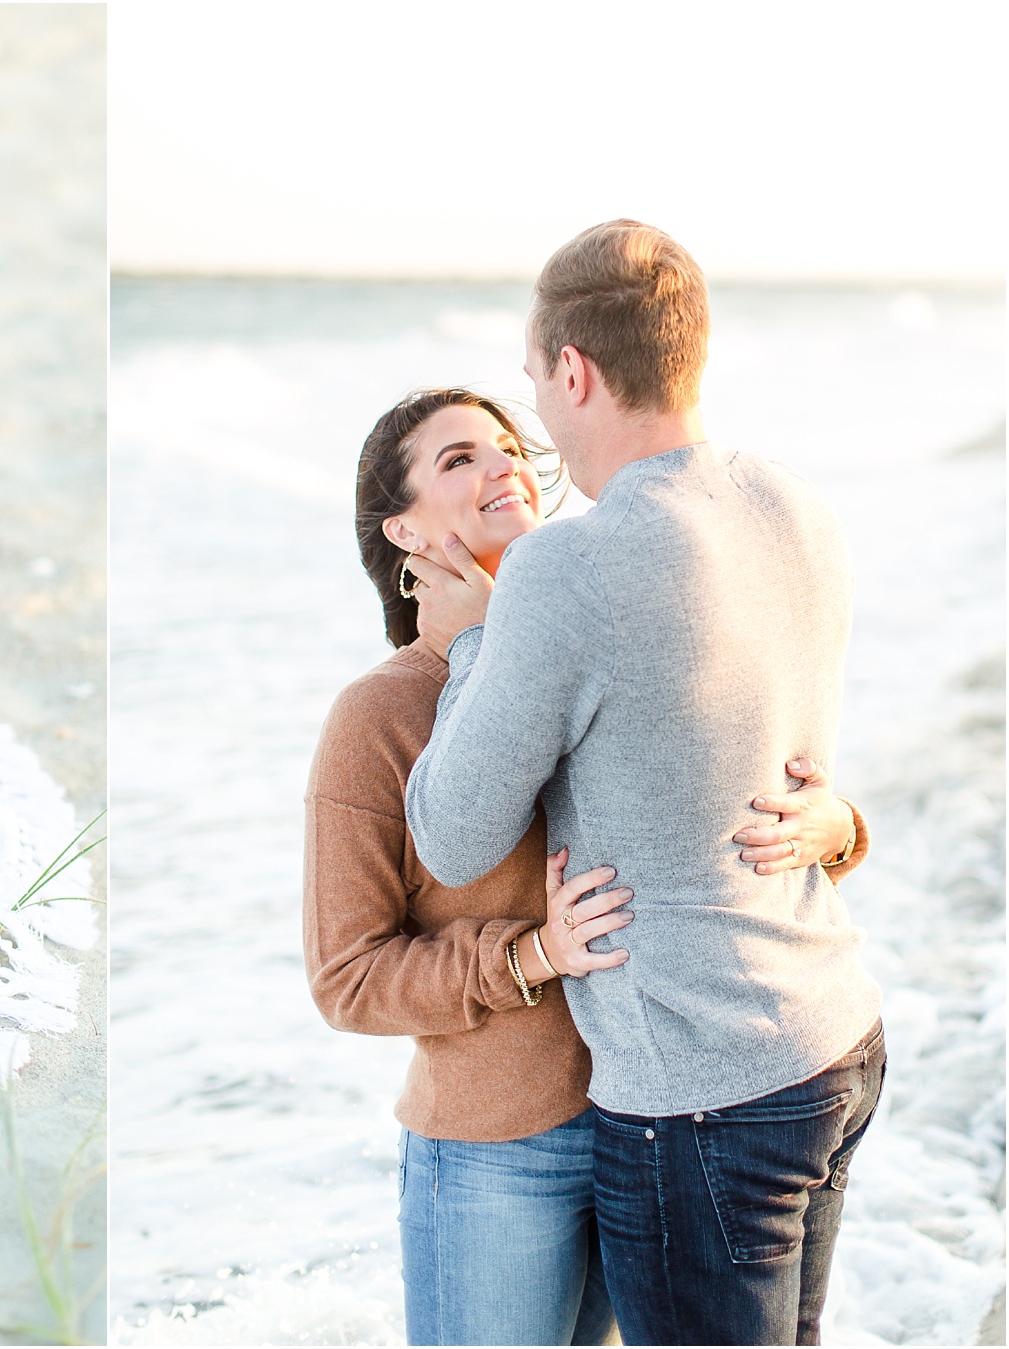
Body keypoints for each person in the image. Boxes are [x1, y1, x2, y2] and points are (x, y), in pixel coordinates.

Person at [400, 221, 885, 1346]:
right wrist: (846, 822)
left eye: (534, 379)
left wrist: (474, 638)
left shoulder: (570, 566)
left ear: (574, 369)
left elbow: (451, 833)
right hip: (836, 1036)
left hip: (706, 1094)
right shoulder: (796, 505)